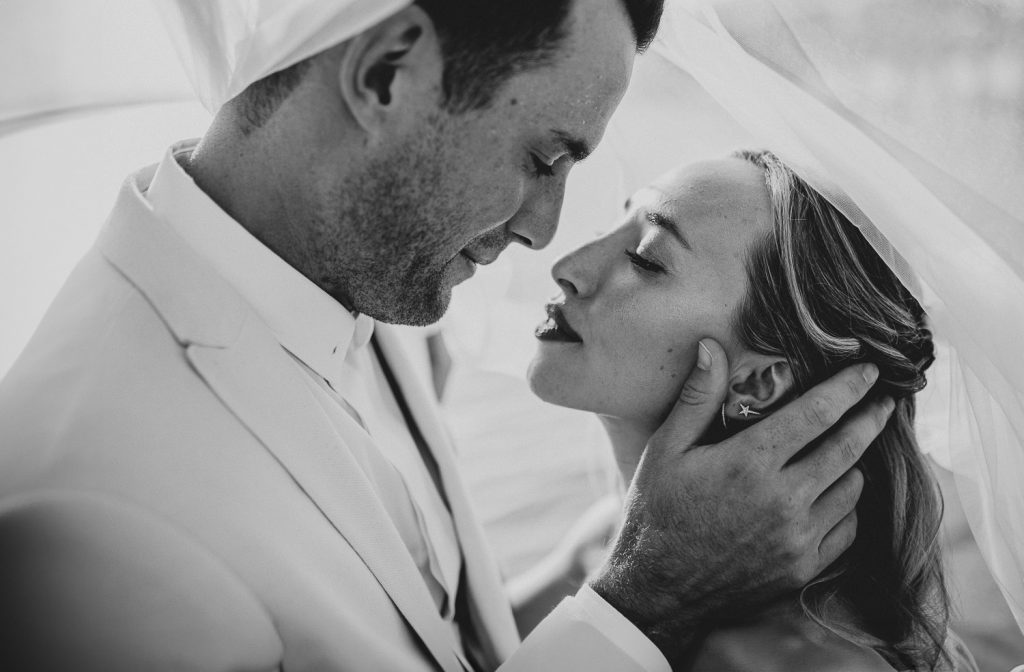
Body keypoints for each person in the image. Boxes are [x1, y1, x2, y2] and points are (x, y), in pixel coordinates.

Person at [0, 2, 892, 671]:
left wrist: (585, 566)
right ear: (388, 73)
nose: (546, 234)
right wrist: (647, 602)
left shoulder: (369, 285)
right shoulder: (82, 523)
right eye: (543, 159)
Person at [528, 150, 980, 670]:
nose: (567, 268)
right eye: (616, 221)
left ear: (758, 381)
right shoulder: (612, 539)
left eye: (646, 259)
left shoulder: (786, 663)